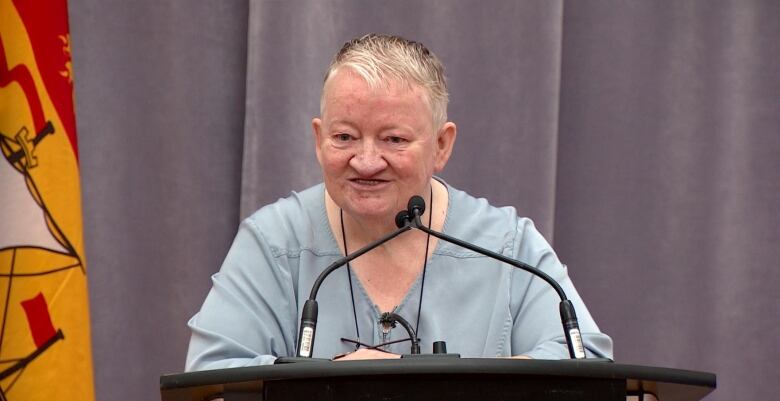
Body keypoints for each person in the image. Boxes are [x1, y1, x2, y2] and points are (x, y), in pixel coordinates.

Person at [185, 34, 612, 370]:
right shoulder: (274, 240)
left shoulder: (508, 245)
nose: (366, 162)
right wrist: (335, 381)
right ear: (318, 140)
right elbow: (210, 379)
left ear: (442, 145)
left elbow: (587, 366)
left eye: (394, 139)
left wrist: (444, 385)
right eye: (345, 137)